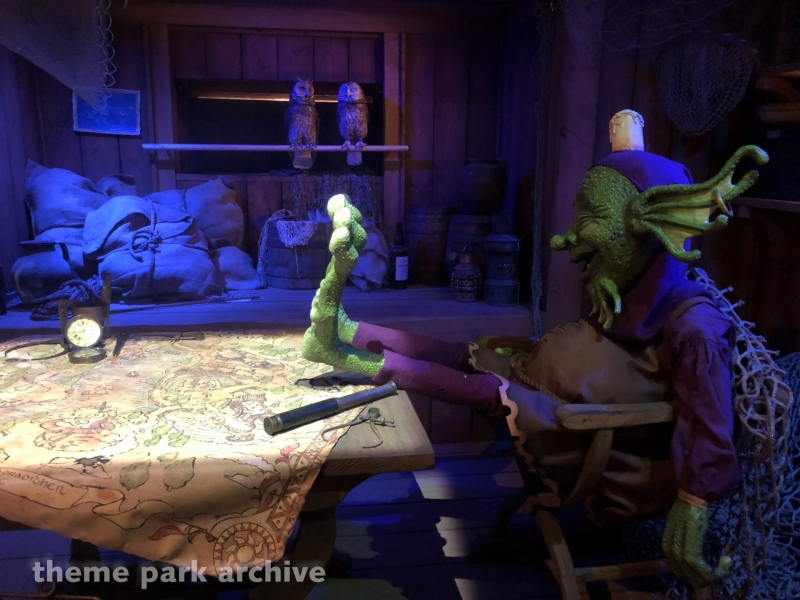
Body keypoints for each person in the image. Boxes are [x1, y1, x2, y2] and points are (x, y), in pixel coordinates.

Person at [301, 110, 768, 588]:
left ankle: (351, 357)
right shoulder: (627, 294)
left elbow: (708, 418)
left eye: (591, 217)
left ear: (649, 227)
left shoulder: (695, 326)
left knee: (486, 391)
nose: (566, 237)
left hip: (582, 438)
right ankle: (348, 329)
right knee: (465, 355)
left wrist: (694, 502)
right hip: (542, 384)